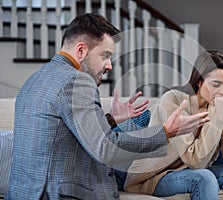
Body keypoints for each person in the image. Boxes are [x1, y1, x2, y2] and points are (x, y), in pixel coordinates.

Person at [5, 13, 210, 200]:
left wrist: (110, 120)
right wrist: (166, 132)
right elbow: (106, 148)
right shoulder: (77, 82)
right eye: (105, 55)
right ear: (81, 50)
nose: (110, 65)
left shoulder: (33, 81)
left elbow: (60, 134)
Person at [124, 51, 223, 200]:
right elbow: (196, 162)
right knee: (204, 177)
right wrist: (218, 117)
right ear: (199, 81)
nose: (222, 92)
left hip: (192, 172)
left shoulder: (217, 106)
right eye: (216, 84)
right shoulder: (173, 101)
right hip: (154, 177)